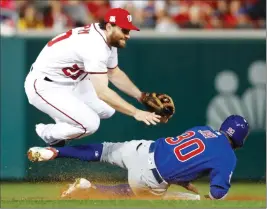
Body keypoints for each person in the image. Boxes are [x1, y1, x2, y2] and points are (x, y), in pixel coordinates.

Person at [24, 8, 161, 147]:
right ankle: (47, 133)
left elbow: (114, 73)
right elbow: (102, 92)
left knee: (107, 110)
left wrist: (141, 96)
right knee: (90, 124)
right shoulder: (95, 46)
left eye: (129, 31)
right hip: (46, 85)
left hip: (73, 80)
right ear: (109, 26)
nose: (128, 35)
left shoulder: (107, 37)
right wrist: (136, 112)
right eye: (124, 31)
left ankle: (65, 117)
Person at [27, 115, 249, 200]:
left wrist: (183, 177)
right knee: (137, 194)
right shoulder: (227, 156)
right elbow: (217, 194)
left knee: (102, 150)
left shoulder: (202, 128)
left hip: (142, 149)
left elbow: (180, 155)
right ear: (240, 139)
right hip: (151, 177)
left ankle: (56, 151)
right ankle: (89, 188)